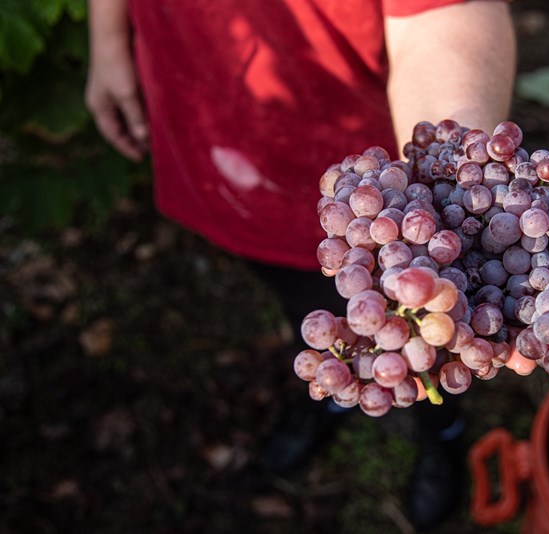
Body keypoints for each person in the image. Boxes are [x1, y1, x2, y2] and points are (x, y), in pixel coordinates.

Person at [84, 0, 516, 529]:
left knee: (423, 337)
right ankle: (332, 396)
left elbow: (444, 15)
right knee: (303, 301)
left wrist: (445, 188)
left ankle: (441, 429)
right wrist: (107, 37)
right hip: (208, 128)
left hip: (359, 181)